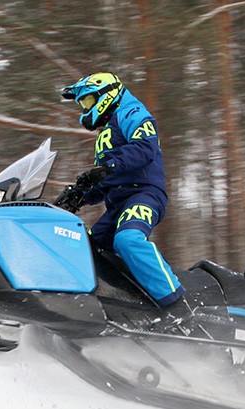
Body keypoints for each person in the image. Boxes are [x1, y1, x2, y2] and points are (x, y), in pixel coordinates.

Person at [57, 72, 187, 311]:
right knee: (84, 247)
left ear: (105, 93)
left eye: (87, 101)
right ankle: (117, 308)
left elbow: (144, 149)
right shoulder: (106, 132)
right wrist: (81, 195)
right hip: (118, 203)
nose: (85, 109)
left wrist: (108, 167)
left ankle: (178, 306)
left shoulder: (131, 112)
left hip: (144, 194)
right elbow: (108, 177)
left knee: (128, 240)